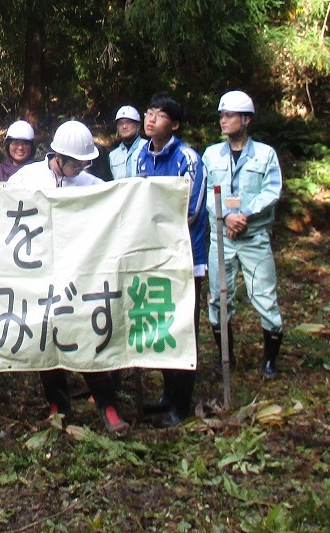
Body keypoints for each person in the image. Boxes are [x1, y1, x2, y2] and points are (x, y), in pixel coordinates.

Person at [9, 121, 128, 435]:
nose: (80, 167)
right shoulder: (27, 177)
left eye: (84, 162)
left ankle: (107, 404)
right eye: (75, 162)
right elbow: (3, 206)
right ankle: (58, 405)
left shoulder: (92, 184)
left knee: (87, 335)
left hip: (80, 274)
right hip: (36, 274)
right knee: (45, 338)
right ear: (57, 156)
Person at [132, 93, 207, 427]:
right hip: (154, 254)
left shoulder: (189, 159)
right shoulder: (140, 157)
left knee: (184, 325)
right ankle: (166, 394)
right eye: (149, 112)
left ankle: (182, 404)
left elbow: (191, 209)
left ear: (174, 124)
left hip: (186, 254)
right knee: (161, 322)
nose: (150, 119)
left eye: (159, 115)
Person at [203, 91, 284, 381]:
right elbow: (206, 191)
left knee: (264, 296)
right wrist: (226, 216)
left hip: (254, 236)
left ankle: (270, 362)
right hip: (221, 237)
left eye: (229, 115)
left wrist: (244, 215)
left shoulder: (265, 154)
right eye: (221, 115)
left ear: (246, 120)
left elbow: (271, 190)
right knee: (218, 298)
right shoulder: (211, 155)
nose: (223, 120)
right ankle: (226, 356)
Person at [108, 105, 143, 180]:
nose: (124, 126)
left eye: (128, 122)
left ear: (138, 126)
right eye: (120, 123)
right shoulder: (113, 155)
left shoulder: (148, 147)